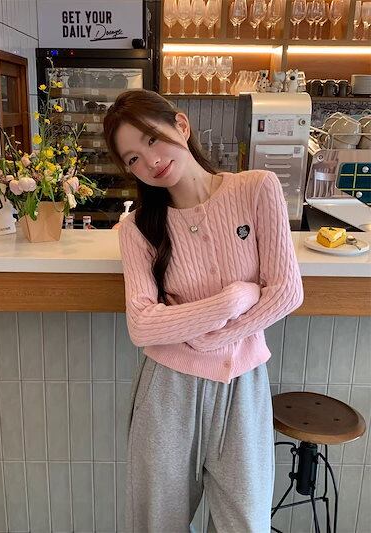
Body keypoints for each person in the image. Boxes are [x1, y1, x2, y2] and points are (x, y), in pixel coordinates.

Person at [103, 89, 303, 533]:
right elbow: (142, 325)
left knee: (245, 523)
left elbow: (287, 292)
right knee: (158, 524)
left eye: (152, 139)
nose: (151, 161)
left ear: (181, 124)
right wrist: (233, 300)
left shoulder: (257, 188)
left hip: (243, 388)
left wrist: (215, 333)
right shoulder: (136, 228)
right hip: (167, 391)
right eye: (133, 158)